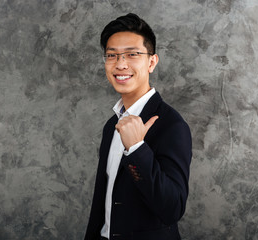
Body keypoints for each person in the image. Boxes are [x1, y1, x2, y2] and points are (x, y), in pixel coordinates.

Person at [84, 13, 192, 240]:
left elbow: (172, 209)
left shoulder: (172, 125)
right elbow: (103, 205)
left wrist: (137, 149)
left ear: (151, 62)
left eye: (132, 54)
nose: (120, 64)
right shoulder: (112, 125)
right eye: (112, 55)